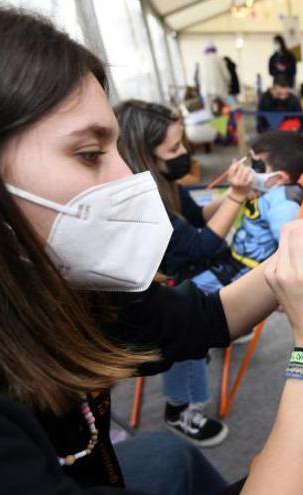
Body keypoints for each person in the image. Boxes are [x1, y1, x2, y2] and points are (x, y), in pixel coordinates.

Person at [0, 5, 303, 494]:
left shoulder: (44, 277)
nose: (129, 180)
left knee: (167, 456)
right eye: (89, 154)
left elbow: (199, 320)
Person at [114, 101, 254, 447]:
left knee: (237, 272)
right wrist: (236, 197)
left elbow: (197, 216)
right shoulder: (142, 202)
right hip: (155, 293)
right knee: (192, 316)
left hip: (178, 273)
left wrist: (229, 195)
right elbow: (199, 247)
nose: (184, 154)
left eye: (183, 144)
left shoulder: (164, 182)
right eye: (174, 148)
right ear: (144, 154)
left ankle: (222, 322)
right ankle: (180, 410)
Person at [190, 130, 303, 303]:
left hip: (249, 270)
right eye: (251, 162)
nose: (250, 170)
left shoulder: (284, 205)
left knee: (193, 297)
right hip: (236, 256)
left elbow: (287, 250)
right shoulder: (264, 188)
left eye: (257, 166)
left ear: (279, 178)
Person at [195, 42, 231, 107]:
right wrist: (228, 85)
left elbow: (199, 78)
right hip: (220, 90)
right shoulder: (219, 59)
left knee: (210, 111)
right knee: (225, 109)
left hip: (206, 92)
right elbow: (226, 76)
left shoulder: (201, 61)